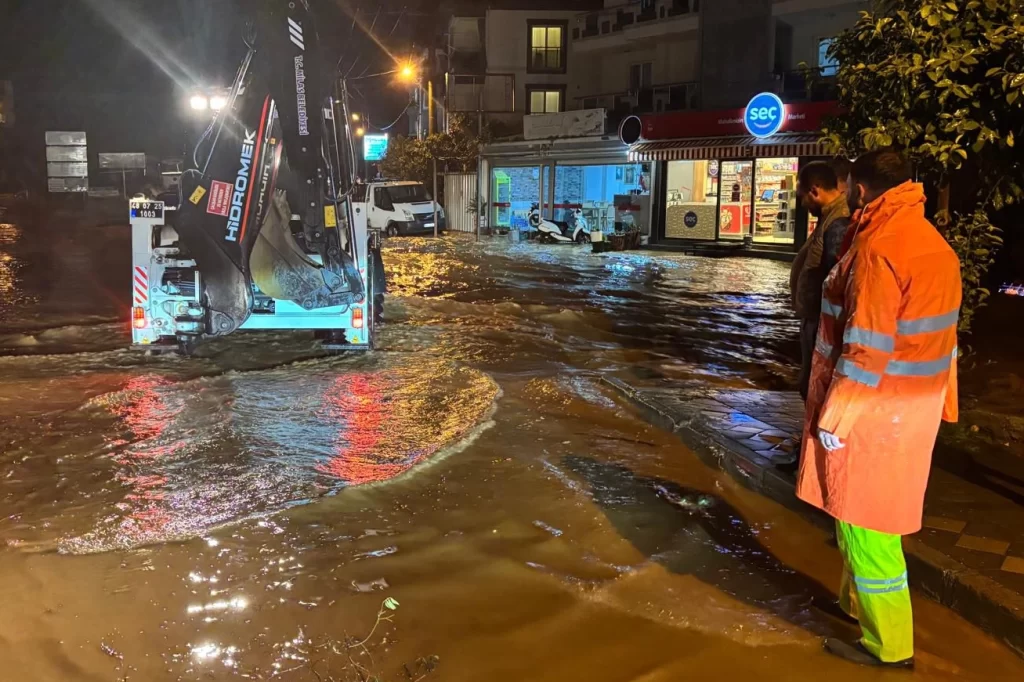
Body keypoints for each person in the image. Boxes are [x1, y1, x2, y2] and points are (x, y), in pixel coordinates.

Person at [796, 149, 961, 668]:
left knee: (866, 523)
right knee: (864, 514)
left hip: (873, 409)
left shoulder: (878, 248)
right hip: (914, 407)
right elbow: (943, 338)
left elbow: (865, 347)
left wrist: (835, 417)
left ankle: (889, 647)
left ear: (861, 190)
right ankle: (854, 606)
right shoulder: (932, 243)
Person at [789, 162, 852, 404]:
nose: (802, 203)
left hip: (822, 324)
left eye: (802, 197)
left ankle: (813, 440)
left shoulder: (839, 222)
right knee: (810, 382)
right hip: (815, 320)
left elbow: (837, 277)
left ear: (814, 191)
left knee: (816, 385)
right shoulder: (829, 217)